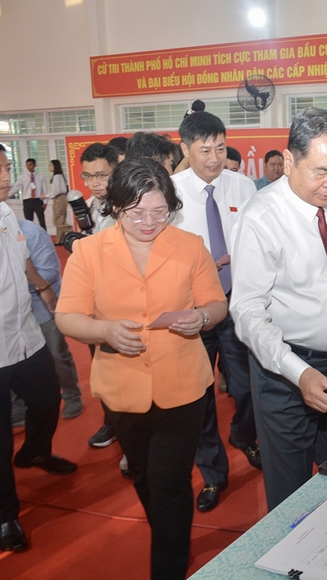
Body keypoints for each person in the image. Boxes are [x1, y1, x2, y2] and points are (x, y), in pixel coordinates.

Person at [55, 158, 227, 579]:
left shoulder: (189, 246)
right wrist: (105, 330)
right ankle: (173, 536)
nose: (149, 222)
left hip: (182, 384)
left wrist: (202, 317)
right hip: (123, 387)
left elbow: (216, 303)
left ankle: (167, 565)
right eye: (136, 213)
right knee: (145, 476)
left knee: (169, 480)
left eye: (159, 211)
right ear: (115, 206)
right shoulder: (89, 252)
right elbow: (67, 316)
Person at [231, 108, 327, 510]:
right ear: (289, 161)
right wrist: (300, 373)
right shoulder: (261, 217)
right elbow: (248, 312)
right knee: (290, 493)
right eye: (321, 171)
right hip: (286, 373)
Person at [173, 110, 260, 512]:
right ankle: (212, 473)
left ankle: (244, 435)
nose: (214, 158)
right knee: (200, 395)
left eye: (220, 148)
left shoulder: (242, 186)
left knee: (246, 387)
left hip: (237, 303)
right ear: (185, 149)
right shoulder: (171, 192)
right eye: (205, 150)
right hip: (193, 310)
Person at [0, 144, 77, 554]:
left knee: (48, 398)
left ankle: (35, 452)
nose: (5, 177)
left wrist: (45, 289)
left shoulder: (6, 214)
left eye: (6, 167)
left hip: (25, 333)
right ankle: (5, 515)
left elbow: (22, 256)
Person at [79, 142, 122, 449]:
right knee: (103, 369)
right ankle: (113, 422)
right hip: (94, 304)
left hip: (120, 303)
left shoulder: (127, 208)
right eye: (88, 176)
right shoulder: (88, 206)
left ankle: (129, 434)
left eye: (101, 175)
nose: (94, 183)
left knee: (123, 372)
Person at [18, 218, 84, 419]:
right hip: (11, 310)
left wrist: (15, 284)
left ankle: (72, 395)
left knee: (56, 354)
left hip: (42, 303)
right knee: (14, 359)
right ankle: (18, 405)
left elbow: (50, 272)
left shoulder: (31, 232)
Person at [9, 158, 47, 230]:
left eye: (30, 165)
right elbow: (16, 188)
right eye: (27, 165)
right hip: (27, 201)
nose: (29, 167)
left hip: (38, 200)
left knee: (42, 220)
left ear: (35, 165)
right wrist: (6, 195)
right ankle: (30, 235)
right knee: (28, 221)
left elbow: (44, 190)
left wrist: (45, 202)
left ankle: (44, 234)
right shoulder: (22, 177)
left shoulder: (40, 176)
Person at [47, 160, 72, 241]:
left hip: (59, 199)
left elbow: (56, 191)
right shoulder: (59, 176)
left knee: (57, 221)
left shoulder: (57, 177)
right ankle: (60, 240)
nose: (49, 167)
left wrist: (46, 195)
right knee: (60, 220)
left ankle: (71, 230)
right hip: (60, 198)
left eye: (50, 165)